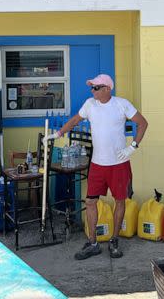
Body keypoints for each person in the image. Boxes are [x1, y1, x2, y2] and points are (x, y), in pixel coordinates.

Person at [43, 74, 148, 260]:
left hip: (119, 164)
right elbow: (75, 120)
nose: (92, 91)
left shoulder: (121, 104)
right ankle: (92, 243)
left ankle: (114, 240)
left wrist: (133, 146)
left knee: (120, 201)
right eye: (91, 87)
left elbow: (142, 123)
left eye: (96, 87)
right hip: (98, 164)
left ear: (107, 88)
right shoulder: (90, 104)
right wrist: (58, 134)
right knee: (90, 201)